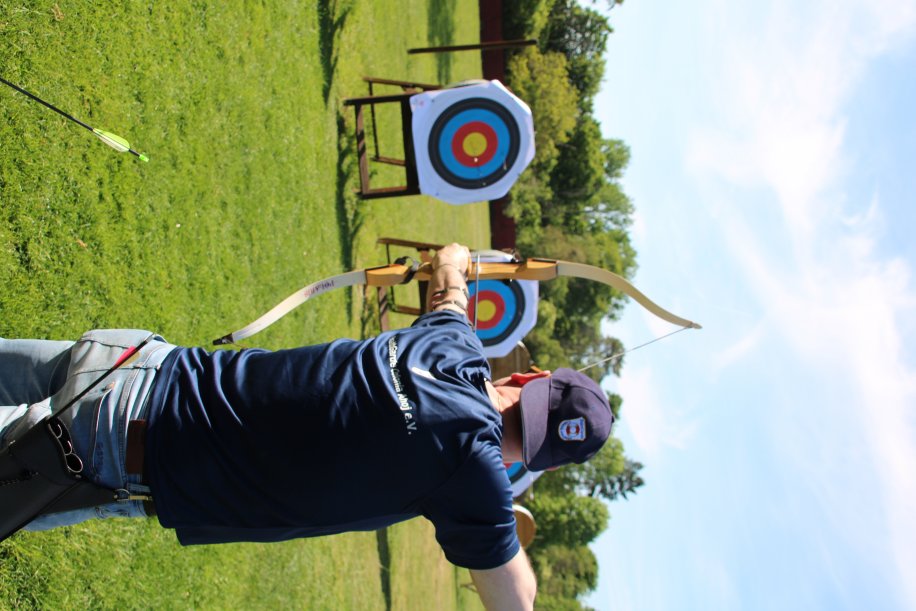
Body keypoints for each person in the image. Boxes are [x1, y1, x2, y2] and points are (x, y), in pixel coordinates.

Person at [0, 243, 613, 611]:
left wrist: (456, 260)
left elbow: (449, 288)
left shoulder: (453, 343)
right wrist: (498, 507)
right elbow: (517, 602)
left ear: (528, 377)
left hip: (136, 361)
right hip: (102, 449)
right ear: (532, 460)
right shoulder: (472, 470)